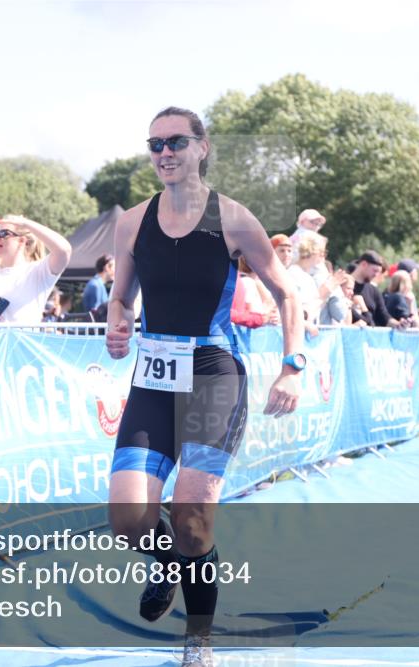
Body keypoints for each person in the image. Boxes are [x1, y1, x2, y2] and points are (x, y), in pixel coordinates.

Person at [105, 107, 303, 667]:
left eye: (175, 142)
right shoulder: (132, 222)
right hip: (154, 375)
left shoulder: (234, 219)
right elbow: (121, 295)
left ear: (202, 147)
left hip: (214, 374)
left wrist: (293, 364)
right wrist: (117, 322)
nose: (164, 153)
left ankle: (199, 638)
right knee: (128, 519)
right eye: (154, 144)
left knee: (193, 515)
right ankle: (166, 560)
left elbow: (287, 294)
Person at [349, 251, 399, 327]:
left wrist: (399, 324)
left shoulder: (373, 290)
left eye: (378, 272)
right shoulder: (345, 286)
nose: (376, 275)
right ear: (364, 264)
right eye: (374, 271)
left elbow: (383, 316)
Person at [231, 255, 279, 328]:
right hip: (239, 332)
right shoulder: (247, 282)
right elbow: (252, 311)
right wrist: (263, 318)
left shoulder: (256, 282)